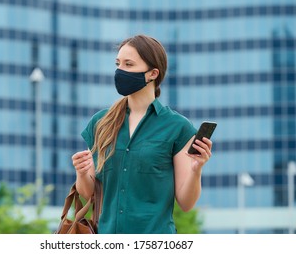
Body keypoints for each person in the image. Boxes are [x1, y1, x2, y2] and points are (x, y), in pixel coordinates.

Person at [71, 34, 213, 234]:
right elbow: (87, 193)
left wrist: (196, 169)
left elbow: (186, 203)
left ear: (153, 73)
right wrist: (82, 172)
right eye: (118, 64)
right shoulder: (100, 123)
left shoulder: (177, 127)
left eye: (129, 64)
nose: (121, 71)